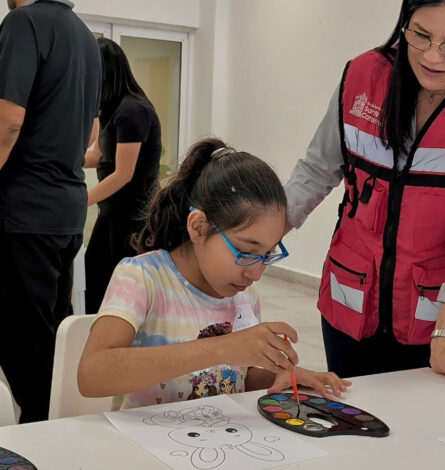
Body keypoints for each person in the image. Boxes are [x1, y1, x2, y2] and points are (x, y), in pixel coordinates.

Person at [284, 0, 445, 386]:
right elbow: (315, 171)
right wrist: (249, 247)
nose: (431, 56)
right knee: (355, 427)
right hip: (354, 298)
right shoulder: (363, 76)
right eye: (420, 34)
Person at [77, 138, 350, 410]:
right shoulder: (142, 278)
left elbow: (235, 378)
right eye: (246, 251)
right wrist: (222, 347)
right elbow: (92, 375)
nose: (256, 272)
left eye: (267, 255)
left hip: (217, 438)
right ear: (198, 227)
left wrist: (281, 377)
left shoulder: (243, 291)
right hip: (146, 442)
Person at [0, 0, 101, 422]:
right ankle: (58, 429)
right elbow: (92, 132)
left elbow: (7, 122)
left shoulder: (23, 23)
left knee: (22, 339)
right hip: (65, 209)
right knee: (54, 335)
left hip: (23, 213)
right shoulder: (85, 38)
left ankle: (40, 436)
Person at [84, 37, 162, 315]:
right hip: (112, 213)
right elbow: (97, 156)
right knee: (94, 272)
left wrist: (81, 199)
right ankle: (94, 333)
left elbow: (123, 174)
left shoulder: (133, 111)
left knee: (122, 284)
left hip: (133, 216)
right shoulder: (112, 108)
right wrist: (55, 161)